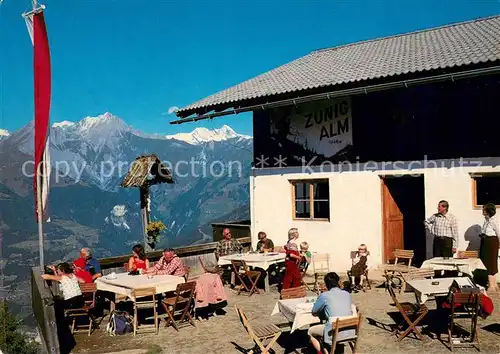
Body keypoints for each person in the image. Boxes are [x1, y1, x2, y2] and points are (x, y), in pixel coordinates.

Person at [308, 272, 354, 354]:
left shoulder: (324, 296)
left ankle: (321, 352)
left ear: (326, 284)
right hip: (349, 331)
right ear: (338, 282)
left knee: (310, 332)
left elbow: (314, 311)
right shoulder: (347, 294)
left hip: (334, 331)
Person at [479, 203, 499, 294]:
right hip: (486, 242)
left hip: (491, 242)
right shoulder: (486, 220)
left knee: (491, 263)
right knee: (487, 262)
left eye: (484, 209)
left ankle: (492, 285)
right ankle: (493, 285)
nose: (482, 210)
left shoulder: (494, 221)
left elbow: (499, 232)